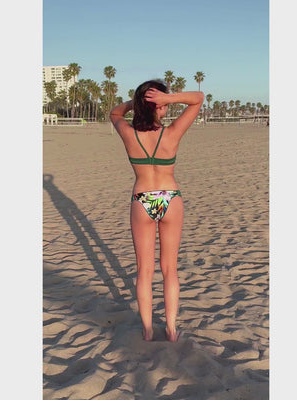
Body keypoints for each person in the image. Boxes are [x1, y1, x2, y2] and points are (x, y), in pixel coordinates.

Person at [110, 80, 204, 342]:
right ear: (159, 106)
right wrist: (168, 98)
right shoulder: (172, 133)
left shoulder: (129, 134)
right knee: (169, 269)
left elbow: (115, 113)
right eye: (161, 105)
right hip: (169, 197)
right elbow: (198, 98)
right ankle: (172, 329)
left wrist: (138, 102)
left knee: (144, 270)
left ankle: (149, 330)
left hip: (142, 199)